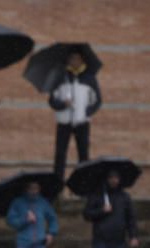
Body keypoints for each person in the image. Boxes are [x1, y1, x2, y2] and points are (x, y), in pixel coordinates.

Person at [50, 48, 102, 182]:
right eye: (72, 58)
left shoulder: (89, 78)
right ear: (68, 60)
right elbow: (52, 100)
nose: (75, 61)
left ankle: (83, 184)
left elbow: (97, 100)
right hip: (64, 122)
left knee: (83, 155)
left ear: (82, 60)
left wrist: (87, 112)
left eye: (77, 58)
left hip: (82, 122)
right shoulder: (60, 77)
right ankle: (57, 184)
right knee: (60, 155)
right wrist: (62, 104)